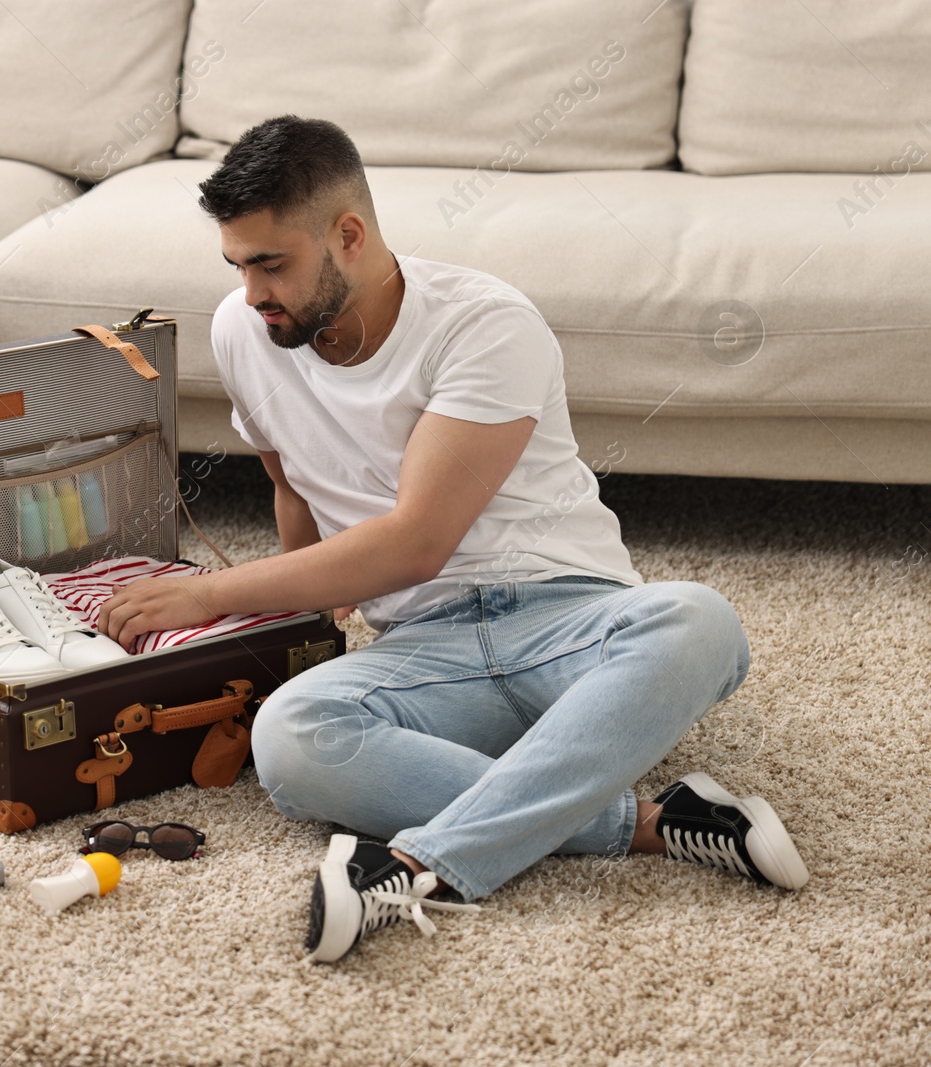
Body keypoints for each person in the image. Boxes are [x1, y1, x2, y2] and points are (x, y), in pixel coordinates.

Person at [97, 115, 809, 964]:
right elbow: (291, 487)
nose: (252, 292)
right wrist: (307, 631)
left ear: (349, 236)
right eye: (237, 265)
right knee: (290, 735)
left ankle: (410, 865)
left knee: (698, 622)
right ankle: (656, 823)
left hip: (567, 621)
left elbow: (416, 543)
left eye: (271, 263)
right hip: (426, 648)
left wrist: (208, 591)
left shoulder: (485, 325)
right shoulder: (244, 332)